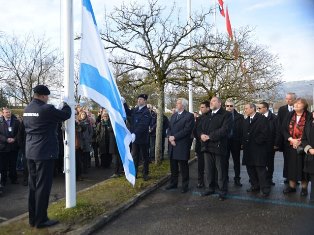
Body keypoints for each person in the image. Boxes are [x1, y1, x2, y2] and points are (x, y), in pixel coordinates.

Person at [23, 85, 71, 228]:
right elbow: (65, 115)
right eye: (47, 96)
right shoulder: (47, 109)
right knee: (43, 187)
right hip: (44, 152)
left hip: (31, 151)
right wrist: (66, 104)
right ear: (43, 96)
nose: (47, 99)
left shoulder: (27, 109)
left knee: (33, 186)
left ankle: (33, 219)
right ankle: (41, 220)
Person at [200, 97, 232, 201]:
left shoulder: (226, 115)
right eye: (210, 101)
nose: (211, 103)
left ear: (219, 103)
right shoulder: (207, 115)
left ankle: (222, 191)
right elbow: (200, 128)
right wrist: (201, 135)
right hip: (207, 146)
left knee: (221, 170)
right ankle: (210, 188)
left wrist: (210, 136)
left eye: (213, 101)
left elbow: (225, 130)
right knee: (209, 170)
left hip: (219, 147)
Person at [282, 98, 311, 196]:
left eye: (299, 104)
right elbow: (283, 129)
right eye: (295, 103)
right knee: (291, 167)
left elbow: (310, 131)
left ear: (304, 106)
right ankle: (292, 187)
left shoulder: (309, 116)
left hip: (304, 146)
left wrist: (300, 141)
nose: (296, 105)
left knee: (304, 168)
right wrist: (291, 139)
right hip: (290, 145)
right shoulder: (289, 115)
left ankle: (304, 188)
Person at [165, 98, 194, 193]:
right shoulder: (173, 116)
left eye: (178, 103)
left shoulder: (189, 116)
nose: (176, 104)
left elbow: (187, 130)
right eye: (177, 103)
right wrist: (169, 137)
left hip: (181, 144)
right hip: (172, 144)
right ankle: (173, 183)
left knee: (183, 166)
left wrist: (174, 137)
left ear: (183, 105)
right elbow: (169, 128)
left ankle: (185, 185)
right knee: (173, 166)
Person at [242, 103, 271, 197]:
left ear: (252, 109)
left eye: (246, 108)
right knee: (250, 169)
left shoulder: (262, 119)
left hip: (259, 149)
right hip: (248, 149)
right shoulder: (246, 120)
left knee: (260, 170)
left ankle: (265, 189)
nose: (244, 110)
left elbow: (265, 133)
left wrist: (256, 141)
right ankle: (255, 186)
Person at [124, 94, 152, 181]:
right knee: (135, 156)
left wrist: (135, 133)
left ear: (145, 101)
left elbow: (143, 125)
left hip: (142, 138)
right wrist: (124, 103)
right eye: (138, 99)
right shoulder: (135, 109)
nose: (138, 100)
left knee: (144, 157)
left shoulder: (146, 112)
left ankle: (145, 173)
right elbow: (128, 112)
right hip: (135, 138)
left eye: (140, 99)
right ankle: (135, 173)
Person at [276, 92, 297, 183]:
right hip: (285, 139)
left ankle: (295, 177)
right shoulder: (282, 109)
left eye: (290, 99)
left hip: (296, 139)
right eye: (287, 99)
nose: (288, 100)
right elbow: (279, 124)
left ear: (294, 99)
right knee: (287, 159)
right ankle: (288, 177)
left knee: (296, 160)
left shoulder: (298, 109)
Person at [225, 99, 244, 187]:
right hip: (225, 142)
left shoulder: (240, 117)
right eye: (227, 106)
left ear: (234, 106)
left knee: (236, 161)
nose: (229, 107)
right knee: (225, 161)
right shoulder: (222, 116)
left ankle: (237, 179)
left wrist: (242, 143)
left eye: (231, 106)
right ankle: (225, 178)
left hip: (235, 142)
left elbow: (242, 130)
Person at [258, 101, 278, 186]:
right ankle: (260, 179)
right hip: (259, 145)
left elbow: (278, 131)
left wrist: (276, 144)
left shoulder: (274, 118)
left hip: (270, 145)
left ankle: (269, 179)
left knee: (270, 163)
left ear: (265, 108)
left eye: (259, 108)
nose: (258, 110)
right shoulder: (257, 117)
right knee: (260, 163)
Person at [0, 107, 21, 188]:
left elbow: (19, 132)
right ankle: (3, 181)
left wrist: (14, 139)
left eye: (9, 112)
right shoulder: (0, 121)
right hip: (3, 148)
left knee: (13, 164)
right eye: (6, 112)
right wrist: (6, 139)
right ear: (3, 113)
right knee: (3, 166)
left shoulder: (16, 121)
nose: (8, 113)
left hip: (13, 147)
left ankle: (13, 179)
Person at [194, 101, 210, 188]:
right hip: (200, 144)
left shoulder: (212, 117)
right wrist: (200, 136)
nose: (201, 109)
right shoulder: (199, 118)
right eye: (200, 107)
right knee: (200, 165)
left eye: (203, 107)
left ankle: (211, 182)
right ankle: (200, 181)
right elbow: (195, 130)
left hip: (209, 144)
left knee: (210, 165)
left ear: (208, 108)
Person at [301, 111, 314, 202]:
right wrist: (309, 149)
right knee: (312, 175)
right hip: (311, 154)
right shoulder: (309, 124)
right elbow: (304, 139)